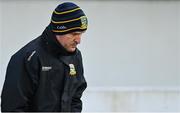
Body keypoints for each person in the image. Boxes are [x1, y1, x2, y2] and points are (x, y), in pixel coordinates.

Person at [1, 2, 88, 112]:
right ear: (59, 29)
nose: (79, 40)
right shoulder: (29, 57)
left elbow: (75, 98)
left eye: (81, 33)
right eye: (74, 34)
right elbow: (12, 108)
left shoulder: (75, 56)